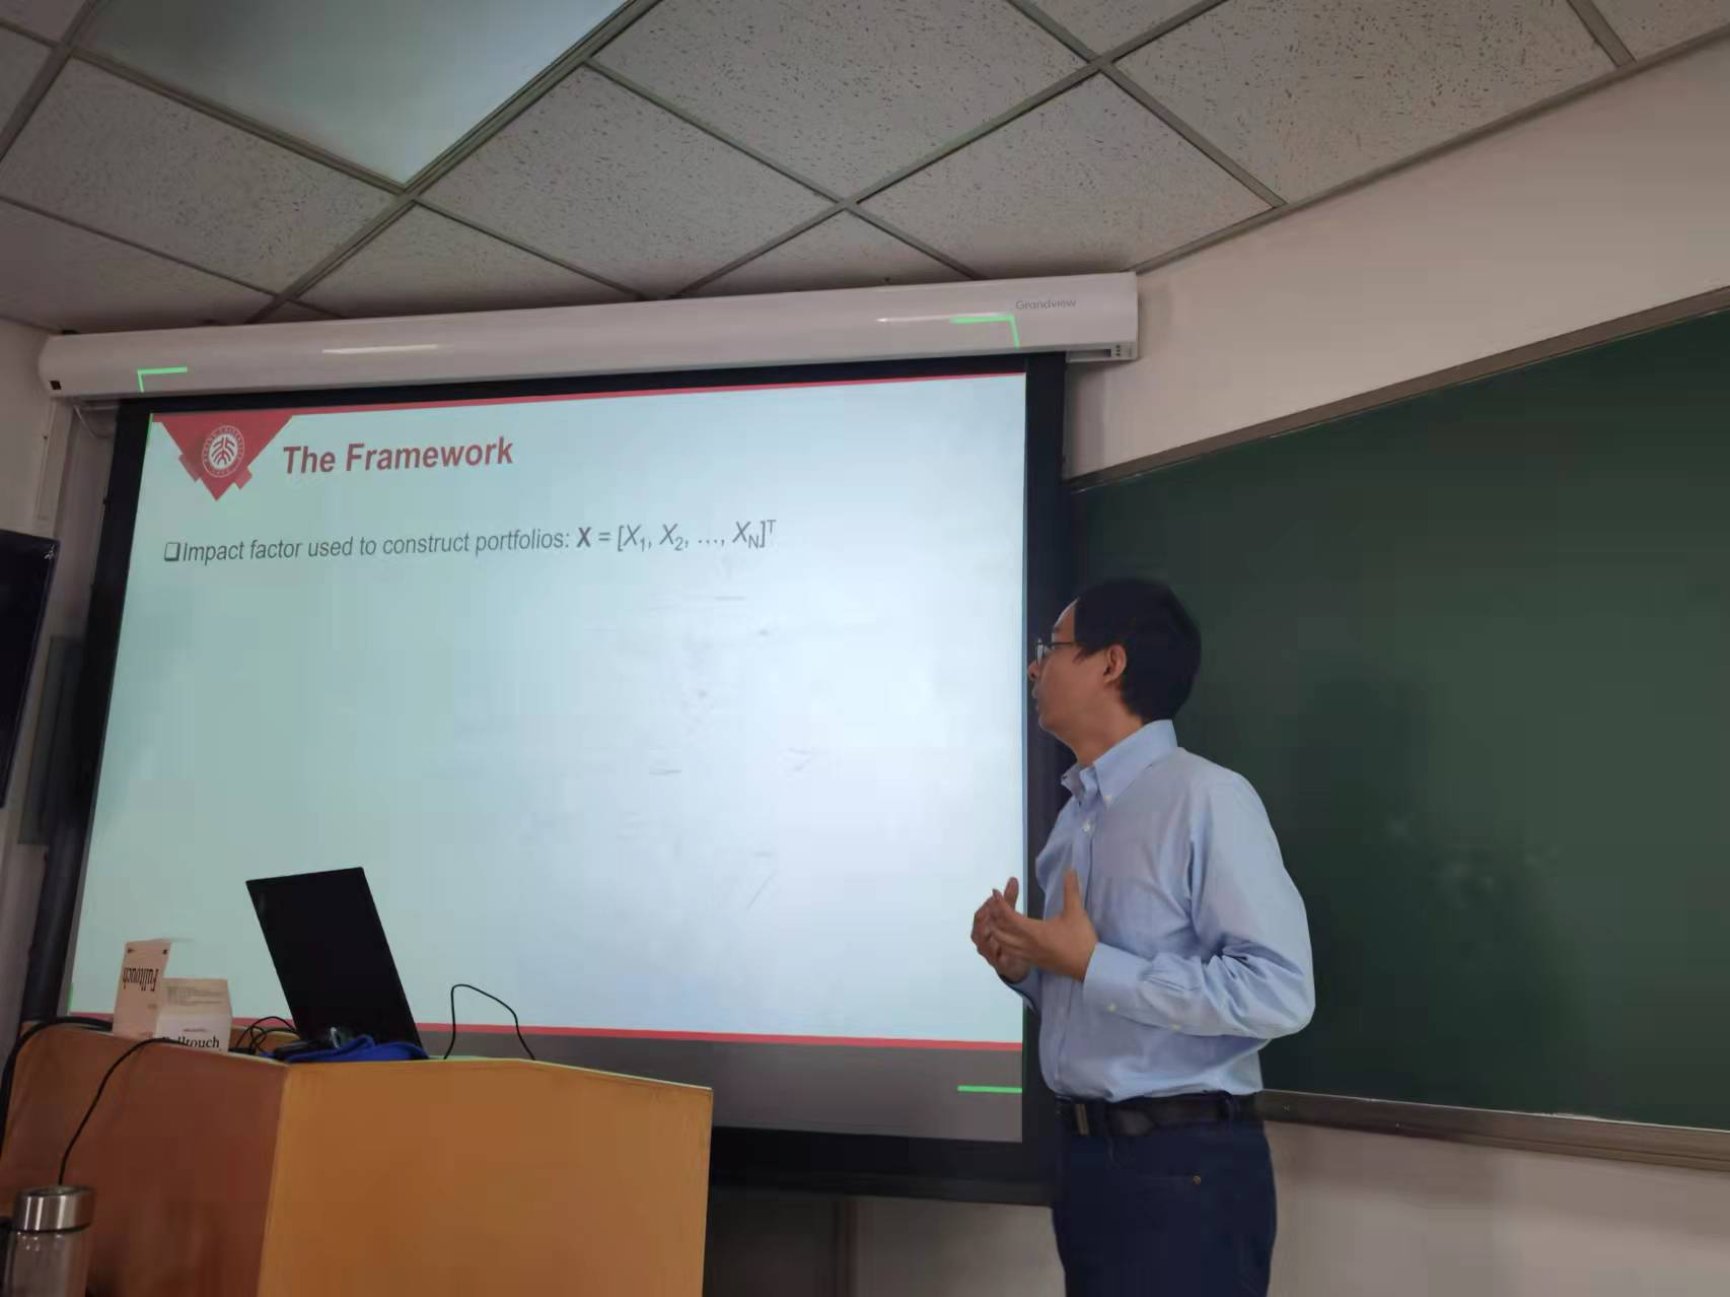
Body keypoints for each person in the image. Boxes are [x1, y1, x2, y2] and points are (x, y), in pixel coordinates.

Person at [971, 578, 1314, 1297]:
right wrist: (1027, 966)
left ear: (1110, 662)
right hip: (1087, 1160)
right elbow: (1092, 991)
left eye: (1051, 648)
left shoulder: (1206, 797)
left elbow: (1280, 991)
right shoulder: (1077, 814)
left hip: (1183, 1165)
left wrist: (1092, 963)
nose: (1034, 667)